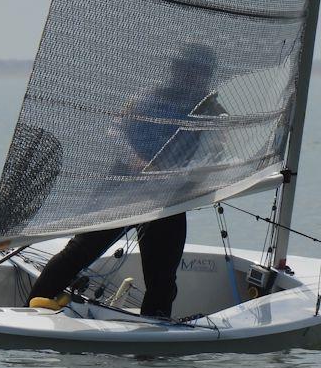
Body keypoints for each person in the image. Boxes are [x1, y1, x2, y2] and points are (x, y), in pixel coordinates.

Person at [26, 44, 224, 318]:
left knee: (162, 277)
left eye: (196, 72)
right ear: (175, 69)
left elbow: (210, 157)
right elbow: (115, 132)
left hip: (167, 199)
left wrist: (174, 175)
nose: (187, 76)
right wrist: (135, 161)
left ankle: (154, 332)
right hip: (122, 188)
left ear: (206, 75)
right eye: (182, 69)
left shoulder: (213, 112)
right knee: (79, 251)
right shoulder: (148, 97)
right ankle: (30, 308)